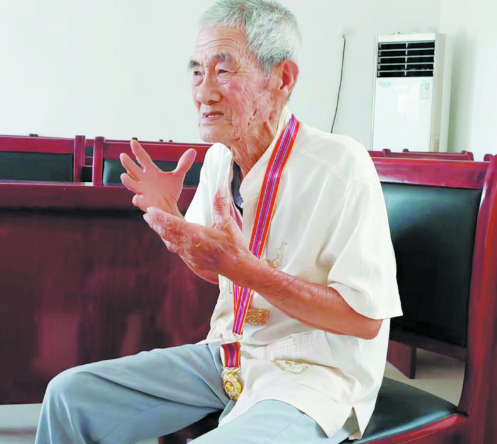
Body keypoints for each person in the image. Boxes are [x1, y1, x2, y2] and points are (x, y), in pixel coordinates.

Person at [34, 0, 402, 443]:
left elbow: (365, 319)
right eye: (196, 72)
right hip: (230, 355)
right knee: (69, 395)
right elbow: (217, 267)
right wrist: (173, 222)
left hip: (312, 375)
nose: (204, 92)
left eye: (223, 71)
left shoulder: (342, 167)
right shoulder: (218, 160)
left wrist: (247, 270)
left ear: (282, 79)